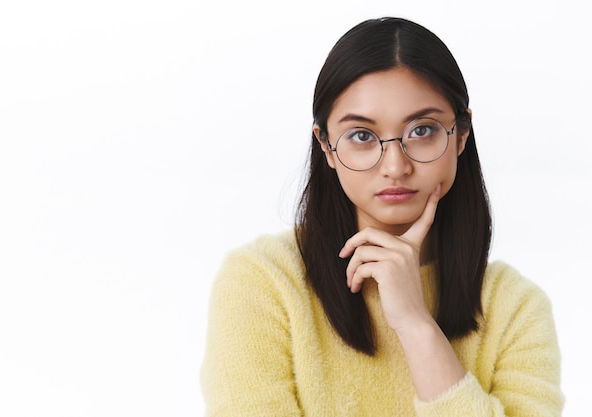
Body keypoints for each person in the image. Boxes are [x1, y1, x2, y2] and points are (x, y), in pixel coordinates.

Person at [200, 17, 563, 416]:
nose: (395, 166)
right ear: (326, 146)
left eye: (422, 130)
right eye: (361, 136)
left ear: (461, 134)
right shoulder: (264, 281)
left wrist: (415, 324)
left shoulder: (514, 307)